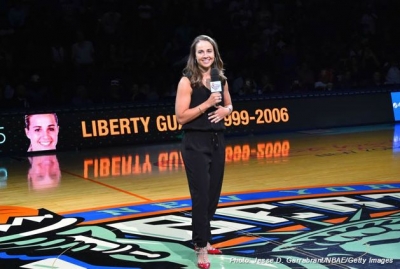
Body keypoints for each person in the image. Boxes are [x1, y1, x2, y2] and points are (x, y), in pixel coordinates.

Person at [175, 35, 233, 269]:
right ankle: (201, 246)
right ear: (194, 55)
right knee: (200, 196)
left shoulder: (221, 77)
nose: (206, 55)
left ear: (215, 53)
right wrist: (207, 105)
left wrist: (225, 112)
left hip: (217, 141)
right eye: (201, 52)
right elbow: (180, 117)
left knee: (213, 194)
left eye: (209, 51)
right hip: (195, 142)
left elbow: (229, 105)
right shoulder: (187, 81)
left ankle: (203, 236)